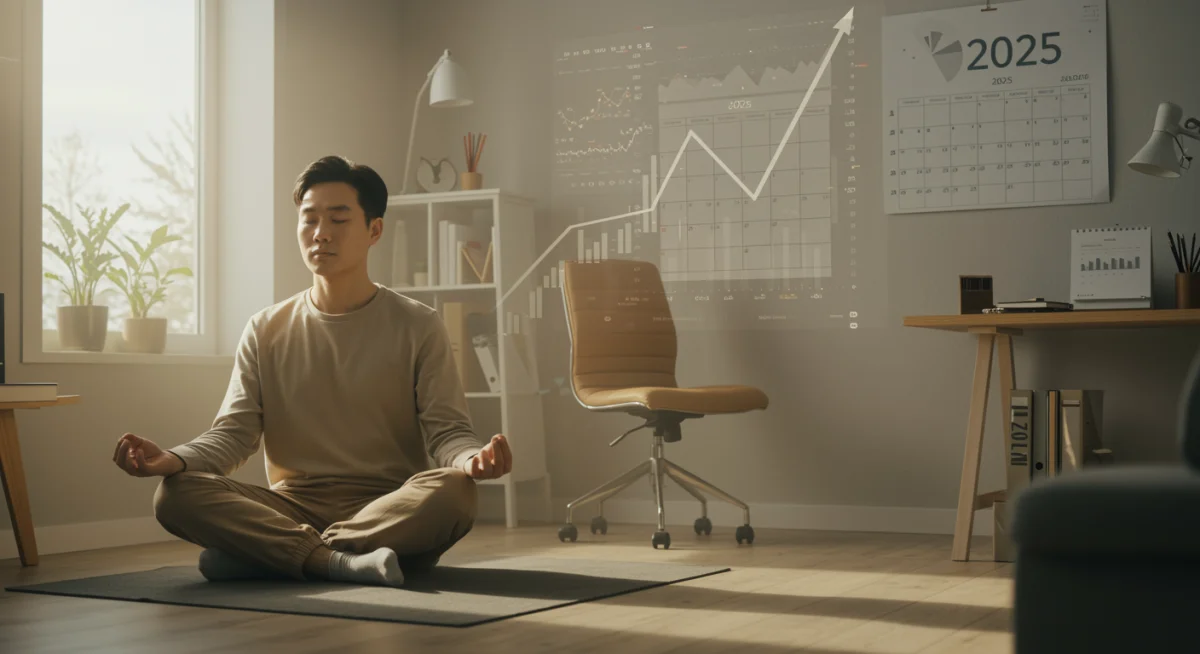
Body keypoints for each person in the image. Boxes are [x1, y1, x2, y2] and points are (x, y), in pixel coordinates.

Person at [111, 155, 511, 588]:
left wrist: (473, 460)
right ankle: (340, 562)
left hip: (387, 509)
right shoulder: (266, 328)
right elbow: (233, 434)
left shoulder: (419, 324)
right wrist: (171, 459)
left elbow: (446, 431)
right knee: (175, 494)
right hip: (291, 507)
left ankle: (277, 555)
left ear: (373, 230)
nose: (321, 234)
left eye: (339, 220)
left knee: (454, 492)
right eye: (309, 220)